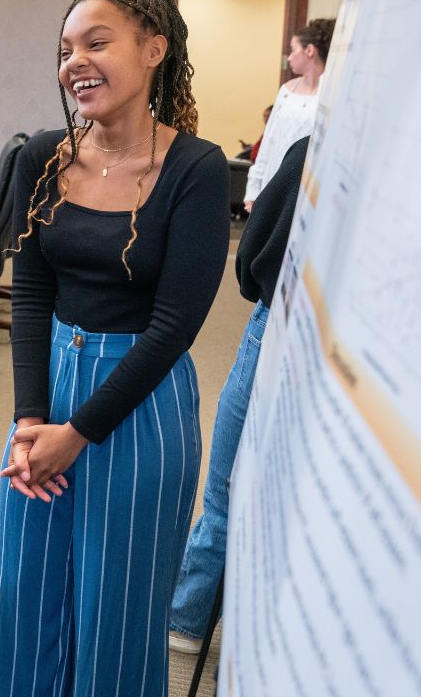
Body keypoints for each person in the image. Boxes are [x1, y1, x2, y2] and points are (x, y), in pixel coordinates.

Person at [0, 0, 229, 696]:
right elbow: (29, 292)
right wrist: (33, 419)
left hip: (142, 403)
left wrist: (80, 430)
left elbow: (176, 325)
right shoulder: (42, 156)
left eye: (97, 42)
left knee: (117, 609)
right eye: (66, 49)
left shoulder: (197, 168)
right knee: (25, 595)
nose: (75, 62)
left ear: (153, 50)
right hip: (50, 391)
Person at [168, 134, 311, 654]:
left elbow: (252, 255)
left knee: (228, 487)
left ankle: (187, 617)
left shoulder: (322, 147)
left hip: (282, 323)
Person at [243, 19, 335, 212]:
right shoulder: (286, 90)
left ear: (310, 50)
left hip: (307, 190)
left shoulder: (332, 91)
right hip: (273, 183)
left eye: (294, 50)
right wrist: (253, 189)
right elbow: (269, 140)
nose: (290, 57)